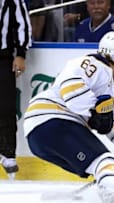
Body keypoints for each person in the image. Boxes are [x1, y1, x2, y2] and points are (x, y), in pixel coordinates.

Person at [23, 31, 114, 203]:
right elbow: (70, 88)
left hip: (40, 136)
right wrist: (94, 111)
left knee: (109, 167)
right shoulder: (92, 64)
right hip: (52, 120)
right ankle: (112, 199)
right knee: (106, 162)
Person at [0, 0, 32, 180]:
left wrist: (21, 54)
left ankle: (8, 153)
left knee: (5, 107)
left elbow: (23, 25)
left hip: (3, 58)